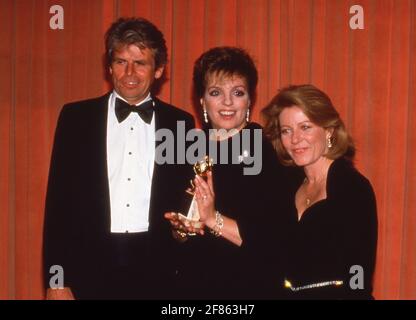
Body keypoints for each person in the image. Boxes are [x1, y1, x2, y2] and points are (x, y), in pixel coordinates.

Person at [43, 17, 195, 300]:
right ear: (109, 66)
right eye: (121, 61)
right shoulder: (76, 119)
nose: (130, 73)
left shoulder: (181, 124)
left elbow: (186, 206)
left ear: (158, 69)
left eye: (141, 63)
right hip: (88, 271)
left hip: (159, 274)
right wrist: (56, 281)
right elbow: (58, 205)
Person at [165, 47, 292, 299]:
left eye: (237, 93)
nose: (227, 102)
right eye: (215, 92)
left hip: (250, 289)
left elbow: (272, 242)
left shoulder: (271, 152)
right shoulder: (188, 149)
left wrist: (213, 218)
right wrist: (181, 230)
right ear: (202, 101)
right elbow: (178, 234)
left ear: (249, 101)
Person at [262, 84, 378, 299]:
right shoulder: (286, 187)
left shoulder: (353, 189)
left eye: (305, 127)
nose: (295, 139)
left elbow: (359, 277)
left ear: (329, 130)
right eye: (286, 130)